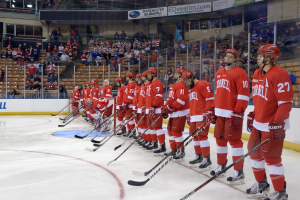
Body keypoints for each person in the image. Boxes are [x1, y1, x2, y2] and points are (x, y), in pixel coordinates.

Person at [246, 44, 293, 200]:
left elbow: (285, 103)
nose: (258, 58)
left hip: (273, 125)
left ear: (270, 57)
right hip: (259, 123)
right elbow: (260, 98)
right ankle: (261, 183)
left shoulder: (280, 74)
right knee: (254, 153)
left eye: (261, 55)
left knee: (272, 158)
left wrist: (277, 122)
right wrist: (254, 113)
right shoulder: (257, 73)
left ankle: (280, 192)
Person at [208, 49, 249, 185]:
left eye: (232, 57)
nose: (228, 58)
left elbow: (243, 95)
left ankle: (239, 171)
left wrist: (238, 112)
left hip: (232, 114)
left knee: (235, 142)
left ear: (235, 60)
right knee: (220, 141)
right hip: (220, 114)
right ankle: (221, 166)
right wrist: (214, 108)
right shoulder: (219, 72)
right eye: (227, 56)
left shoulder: (240, 73)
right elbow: (217, 93)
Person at [181, 70, 214, 169]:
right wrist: (189, 114)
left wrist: (208, 111)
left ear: (191, 78)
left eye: (187, 81)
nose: (186, 84)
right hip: (194, 116)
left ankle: (206, 159)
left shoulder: (203, 84)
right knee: (194, 137)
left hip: (202, 116)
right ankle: (198, 156)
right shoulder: (191, 89)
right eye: (185, 82)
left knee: (202, 137)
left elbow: (210, 99)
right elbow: (192, 103)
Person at [161, 68, 190, 157]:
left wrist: (171, 107)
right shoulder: (173, 85)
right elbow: (170, 99)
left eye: (177, 74)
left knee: (176, 132)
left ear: (181, 75)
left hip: (180, 112)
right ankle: (174, 149)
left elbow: (181, 101)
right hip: (174, 112)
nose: (174, 75)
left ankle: (181, 151)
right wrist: (166, 107)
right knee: (170, 131)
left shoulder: (182, 85)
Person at [144, 67, 164, 152]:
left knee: (157, 127)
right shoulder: (151, 84)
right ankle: (154, 142)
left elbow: (158, 96)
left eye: (149, 74)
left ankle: (162, 145)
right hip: (151, 108)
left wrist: (154, 106)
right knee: (151, 127)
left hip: (156, 109)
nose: (147, 76)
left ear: (153, 74)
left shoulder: (157, 83)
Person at [122, 72, 137, 137]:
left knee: (130, 119)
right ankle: (129, 130)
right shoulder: (129, 84)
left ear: (130, 77)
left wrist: (126, 103)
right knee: (128, 119)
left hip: (130, 105)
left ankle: (132, 131)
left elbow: (130, 96)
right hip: (128, 104)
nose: (126, 78)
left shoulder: (131, 85)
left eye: (127, 77)